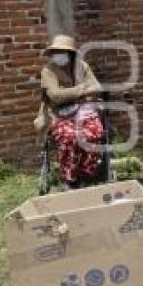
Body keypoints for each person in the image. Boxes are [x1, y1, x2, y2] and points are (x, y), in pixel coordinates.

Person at [35, 34, 104, 188]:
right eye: (55, 52)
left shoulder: (82, 67)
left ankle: (86, 173)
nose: (58, 55)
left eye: (62, 51)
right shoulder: (48, 71)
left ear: (70, 53)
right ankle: (70, 178)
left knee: (95, 132)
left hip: (85, 113)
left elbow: (98, 88)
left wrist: (67, 92)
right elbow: (55, 97)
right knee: (69, 137)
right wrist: (82, 89)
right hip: (58, 115)